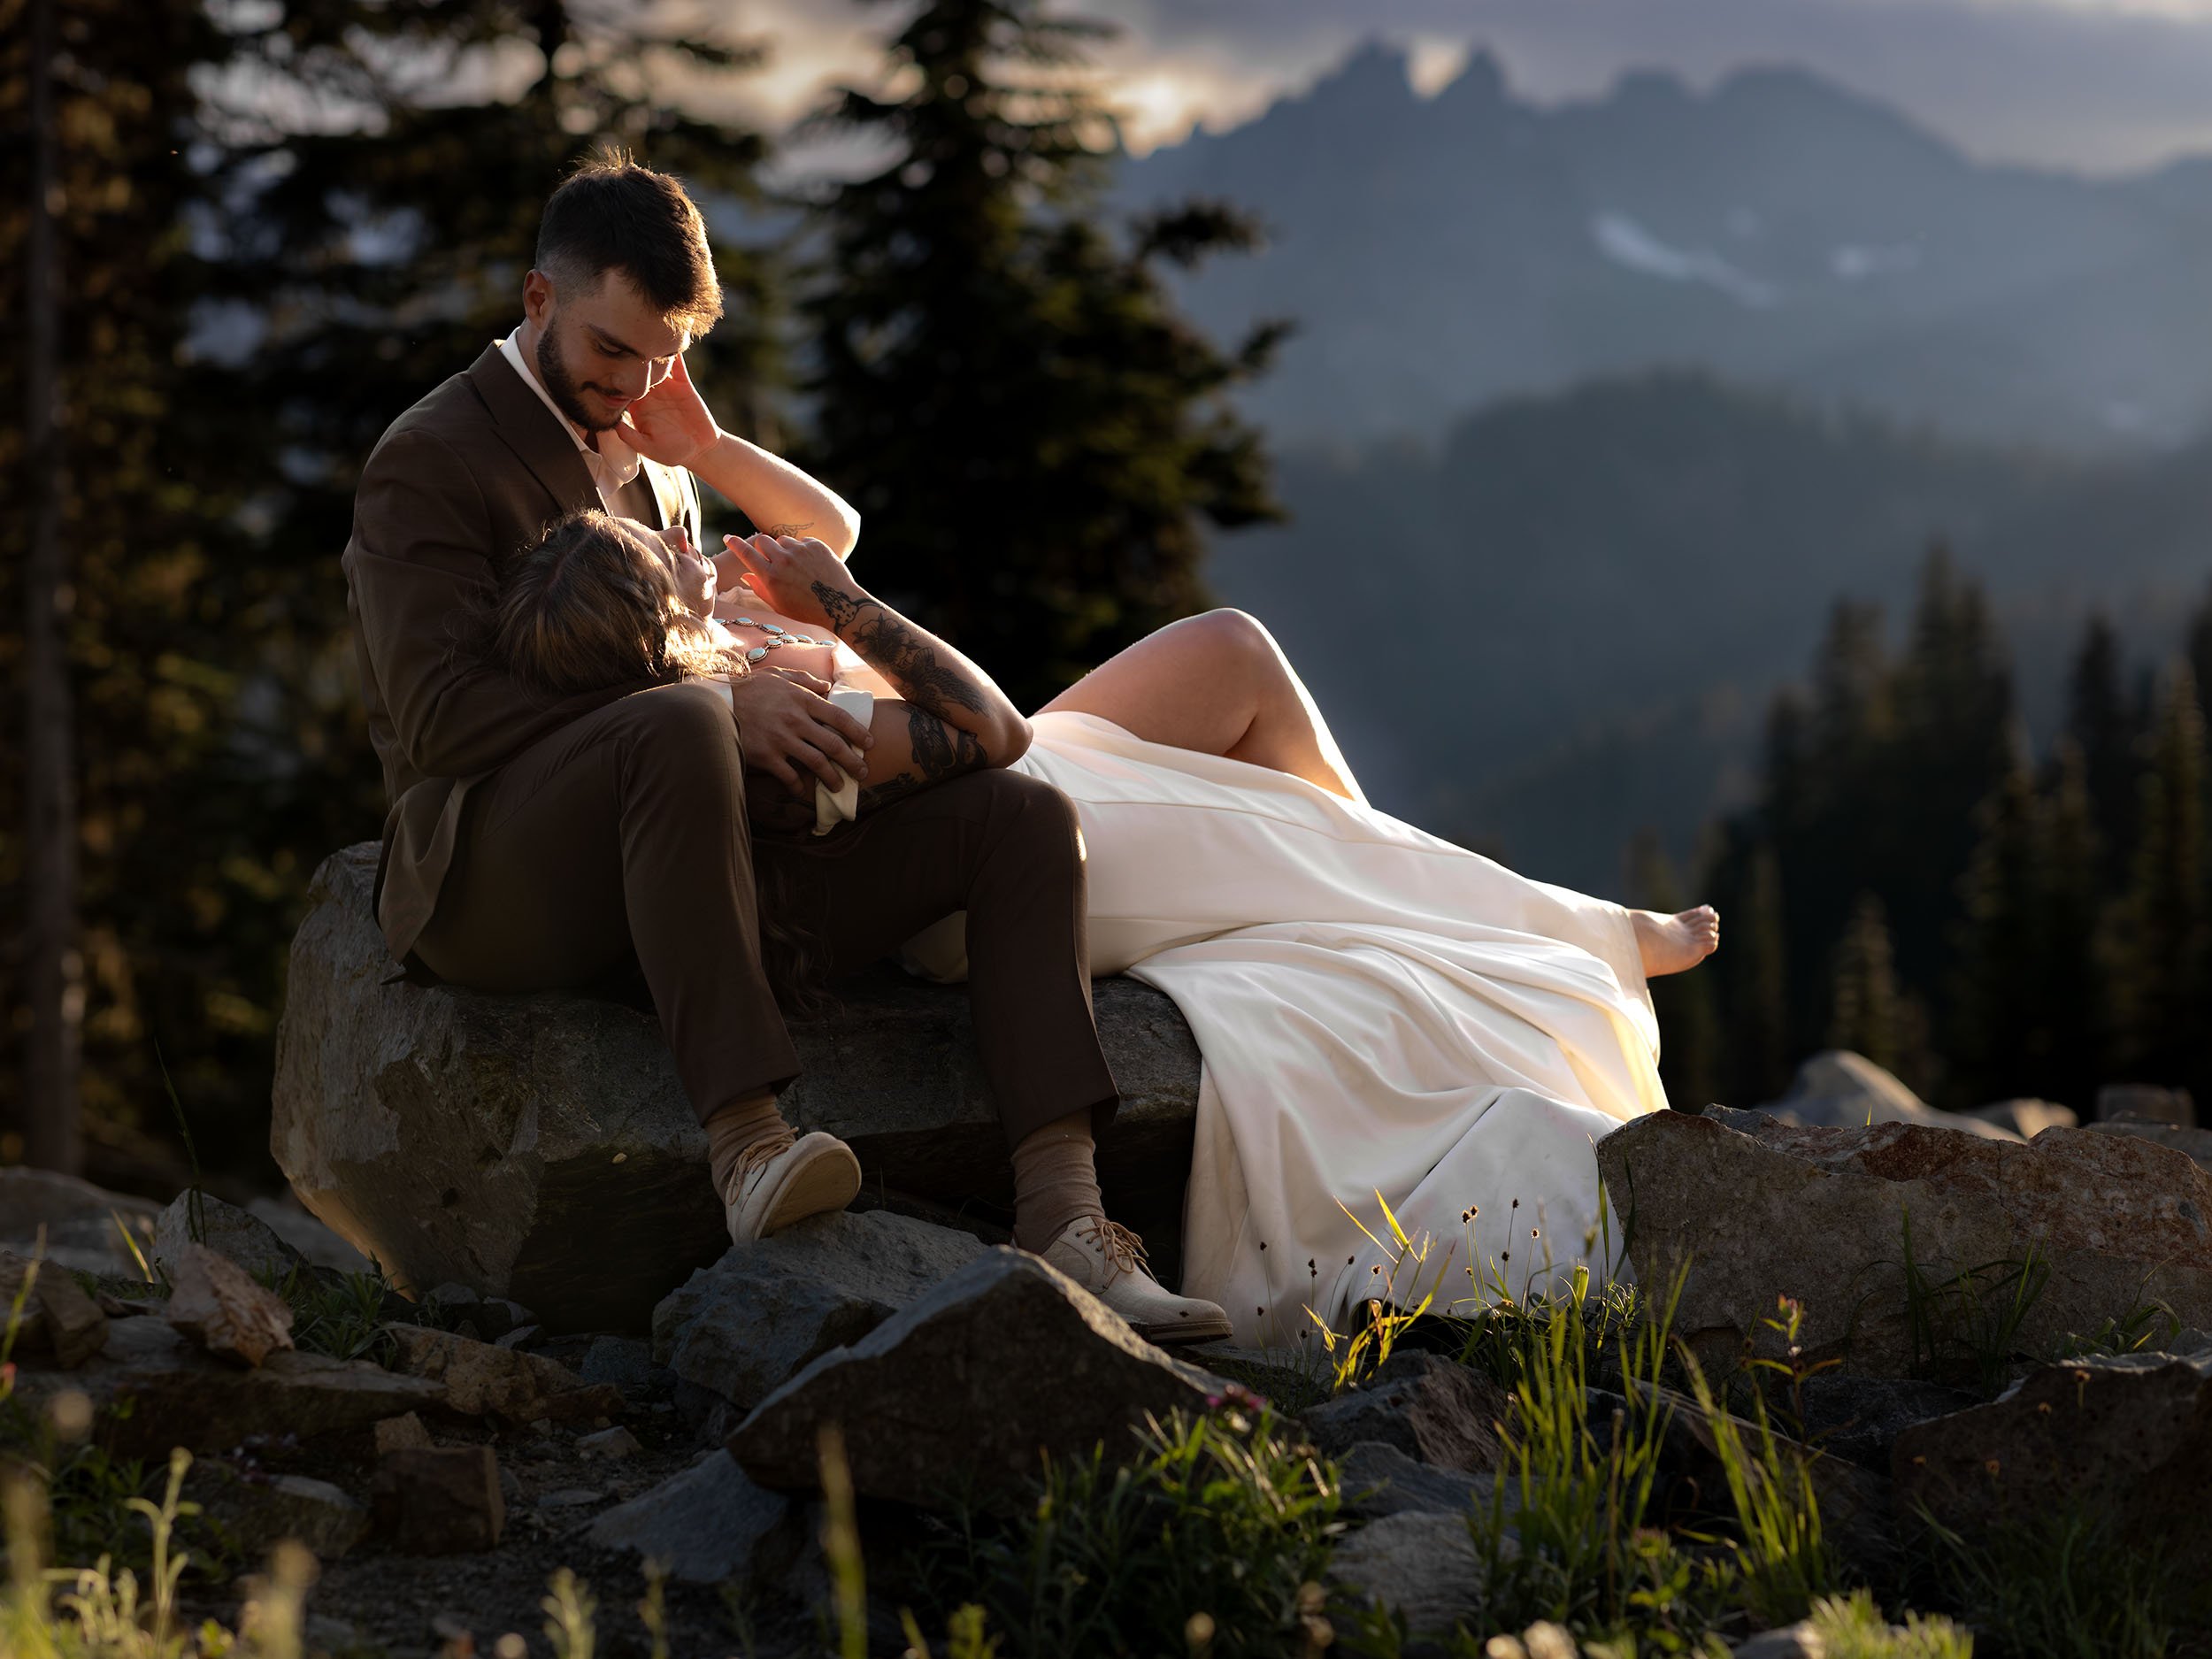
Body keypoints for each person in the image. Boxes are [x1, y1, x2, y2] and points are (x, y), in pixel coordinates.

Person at [342, 153, 1228, 1343]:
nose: (638, 381)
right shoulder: (431, 455)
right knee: (681, 717)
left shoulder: (655, 448)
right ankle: (749, 1143)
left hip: (699, 857)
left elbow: (822, 545)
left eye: (665, 355)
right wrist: (711, 701)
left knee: (1019, 819)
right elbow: (441, 716)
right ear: (538, 299)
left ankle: (1068, 1218)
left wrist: (701, 467)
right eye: (615, 350)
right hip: (505, 874)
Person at [485, 509, 1724, 1345]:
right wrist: (846, 608)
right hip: (986, 823)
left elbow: (805, 519)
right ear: (668, 635)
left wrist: (704, 451)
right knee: (1280, 833)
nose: (693, 544)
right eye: (672, 559)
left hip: (991, 772)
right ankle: (1582, 935)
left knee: (1235, 662)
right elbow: (992, 737)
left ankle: (1493, 913)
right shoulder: (769, 730)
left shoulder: (718, 666)